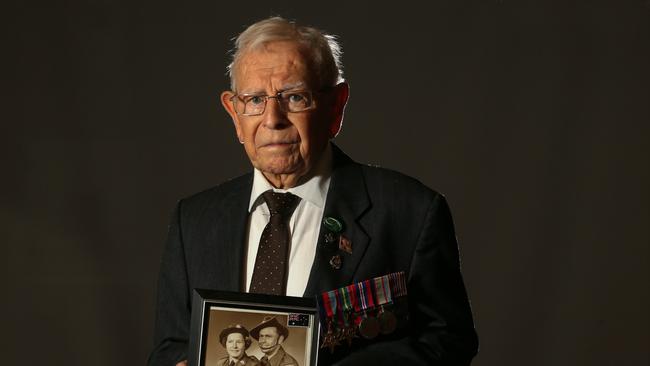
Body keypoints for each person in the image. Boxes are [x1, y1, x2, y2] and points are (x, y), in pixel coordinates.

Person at [148, 16, 478, 366]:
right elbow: (170, 347)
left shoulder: (409, 213)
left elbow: (448, 343)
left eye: (294, 97)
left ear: (336, 106)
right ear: (234, 113)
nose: (272, 118)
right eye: (255, 99)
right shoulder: (194, 221)